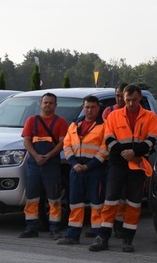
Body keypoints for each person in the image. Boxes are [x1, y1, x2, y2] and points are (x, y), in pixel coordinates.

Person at [90, 84, 157, 253]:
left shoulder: (150, 116)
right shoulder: (114, 116)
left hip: (138, 163)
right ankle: (103, 237)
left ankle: (128, 239)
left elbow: (150, 141)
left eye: (134, 100)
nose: (130, 103)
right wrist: (125, 154)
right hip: (117, 164)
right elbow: (109, 140)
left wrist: (134, 152)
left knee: (134, 203)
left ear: (140, 97)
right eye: (127, 100)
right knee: (110, 200)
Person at [57, 95, 108, 245]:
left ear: (98, 108)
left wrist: (89, 165)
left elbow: (105, 149)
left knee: (97, 204)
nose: (90, 110)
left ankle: (99, 236)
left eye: (93, 107)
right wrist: (73, 163)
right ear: (83, 108)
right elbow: (67, 145)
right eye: (87, 107)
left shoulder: (104, 126)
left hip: (95, 169)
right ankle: (72, 235)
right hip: (76, 168)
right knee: (75, 203)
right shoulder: (74, 125)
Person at [18, 92, 68, 239]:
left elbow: (62, 142)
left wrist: (48, 156)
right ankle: (31, 227)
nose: (48, 105)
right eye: (45, 102)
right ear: (40, 104)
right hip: (34, 164)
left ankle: (55, 229)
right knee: (32, 198)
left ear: (56, 105)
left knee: (54, 198)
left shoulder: (61, 122)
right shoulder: (31, 121)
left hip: (51, 164)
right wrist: (36, 156)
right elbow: (26, 141)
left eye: (51, 103)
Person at [103, 83, 128, 237]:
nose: (119, 99)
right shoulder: (109, 111)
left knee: (124, 196)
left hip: (128, 159)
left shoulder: (132, 113)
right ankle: (106, 226)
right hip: (111, 157)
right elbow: (109, 133)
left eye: (121, 96)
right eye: (117, 95)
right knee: (111, 195)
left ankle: (120, 224)